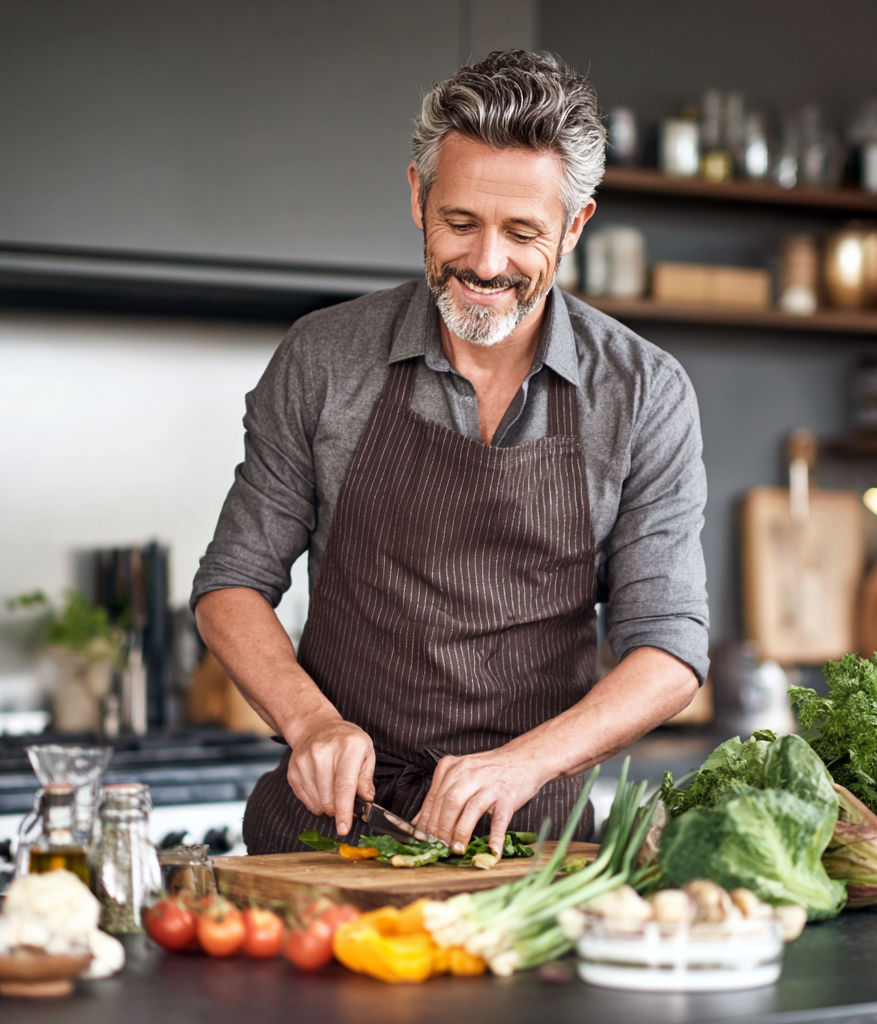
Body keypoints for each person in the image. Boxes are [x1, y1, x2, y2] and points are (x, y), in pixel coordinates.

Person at [191, 50, 708, 857]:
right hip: (330, 829)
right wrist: (312, 723)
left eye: (524, 232)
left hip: (529, 838)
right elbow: (231, 585)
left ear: (576, 225)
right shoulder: (324, 358)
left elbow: (669, 646)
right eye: (460, 223)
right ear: (417, 196)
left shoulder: (643, 391)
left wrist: (521, 766)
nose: (486, 264)